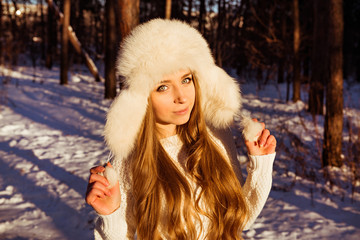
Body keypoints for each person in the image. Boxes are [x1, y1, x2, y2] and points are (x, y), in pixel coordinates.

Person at [85, 19, 276, 240]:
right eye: (163, 87)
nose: (182, 97)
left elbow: (236, 221)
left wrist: (260, 166)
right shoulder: (130, 161)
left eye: (186, 79)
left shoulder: (215, 136)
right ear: (141, 97)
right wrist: (110, 215)